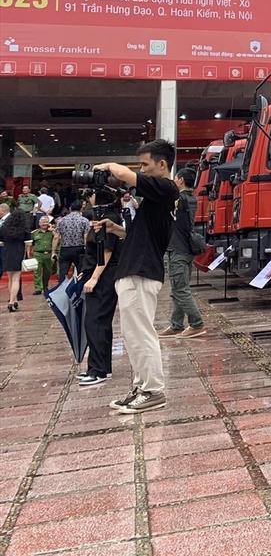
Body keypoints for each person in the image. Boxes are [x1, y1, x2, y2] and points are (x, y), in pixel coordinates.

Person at [91, 140, 179, 414]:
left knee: (140, 333)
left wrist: (109, 166)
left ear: (161, 164)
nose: (141, 170)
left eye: (144, 164)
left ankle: (153, 390)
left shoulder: (166, 187)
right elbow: (144, 236)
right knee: (133, 334)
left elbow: (127, 176)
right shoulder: (157, 199)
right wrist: (116, 229)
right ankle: (143, 387)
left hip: (140, 272)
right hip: (136, 270)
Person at [78, 192, 121, 387]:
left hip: (104, 277)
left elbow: (107, 250)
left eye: (94, 193)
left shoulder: (109, 218)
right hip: (96, 273)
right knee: (97, 322)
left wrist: (94, 277)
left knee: (95, 321)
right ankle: (99, 367)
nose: (91, 197)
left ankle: (98, 370)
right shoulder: (101, 217)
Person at [159, 167, 205, 339]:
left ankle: (197, 324)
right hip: (186, 249)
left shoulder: (179, 199)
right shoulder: (192, 198)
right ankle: (176, 325)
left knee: (180, 290)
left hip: (177, 249)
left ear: (180, 180)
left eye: (176, 178)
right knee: (179, 288)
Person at [2, 199, 33, 312]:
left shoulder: (4, 227)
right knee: (16, 278)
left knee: (10, 279)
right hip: (18, 252)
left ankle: (13, 299)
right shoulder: (24, 228)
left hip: (7, 251)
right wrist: (29, 254)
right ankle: (11, 301)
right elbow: (28, 243)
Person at [53, 200, 90, 282]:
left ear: (70, 209)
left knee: (63, 272)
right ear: (81, 209)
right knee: (81, 271)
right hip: (79, 248)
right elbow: (86, 236)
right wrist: (87, 249)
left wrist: (53, 251)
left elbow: (56, 237)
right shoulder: (84, 220)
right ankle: (81, 291)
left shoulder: (62, 221)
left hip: (65, 248)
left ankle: (62, 290)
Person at [29, 214, 55, 296]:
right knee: (37, 272)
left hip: (48, 254)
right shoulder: (34, 233)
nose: (44, 224)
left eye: (46, 222)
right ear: (39, 223)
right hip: (38, 254)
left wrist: (52, 230)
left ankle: (45, 286)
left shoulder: (52, 232)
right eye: (43, 222)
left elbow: (58, 239)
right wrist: (29, 253)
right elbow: (30, 244)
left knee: (48, 272)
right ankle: (38, 288)